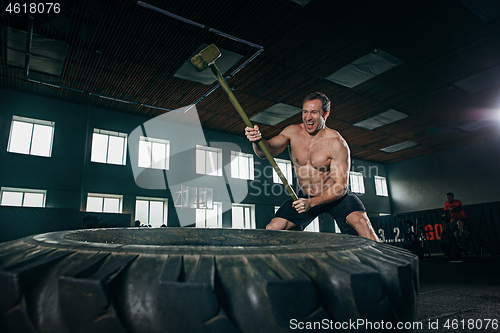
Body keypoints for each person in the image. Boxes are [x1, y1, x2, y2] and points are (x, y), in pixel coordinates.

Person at [245, 92, 379, 241]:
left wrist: (312, 203)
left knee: (363, 224)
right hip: (305, 196)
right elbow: (267, 150)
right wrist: (257, 140)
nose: (308, 117)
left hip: (335, 195)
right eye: (305, 111)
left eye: (314, 112)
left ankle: (385, 263)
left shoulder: (336, 143)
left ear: (326, 114)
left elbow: (341, 186)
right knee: (273, 228)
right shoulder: (293, 132)